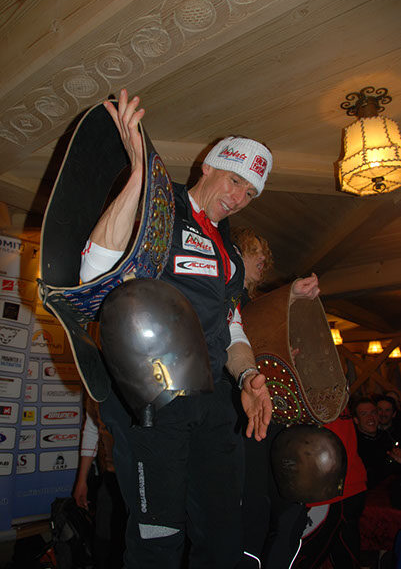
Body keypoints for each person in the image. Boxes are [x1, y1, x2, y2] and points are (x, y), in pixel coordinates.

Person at [79, 89, 273, 569]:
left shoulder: (230, 251)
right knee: (157, 538)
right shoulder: (161, 211)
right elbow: (94, 270)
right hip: (155, 396)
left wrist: (248, 376)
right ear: (208, 166)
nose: (238, 198)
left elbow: (232, 326)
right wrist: (139, 178)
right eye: (234, 180)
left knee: (222, 535)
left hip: (215, 403)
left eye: (250, 193)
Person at [230, 227, 320, 569]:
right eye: (255, 251)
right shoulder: (226, 301)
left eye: (266, 255)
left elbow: (260, 343)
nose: (264, 260)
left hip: (270, 420)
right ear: (235, 254)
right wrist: (290, 294)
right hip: (243, 421)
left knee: (288, 504)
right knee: (253, 505)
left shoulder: (255, 305)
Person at [294, 407, 367, 569]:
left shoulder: (320, 399)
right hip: (346, 487)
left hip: (330, 492)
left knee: (303, 556)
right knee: (344, 554)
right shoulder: (335, 400)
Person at [73, 398, 126, 569]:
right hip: (111, 478)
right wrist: (82, 481)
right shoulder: (95, 387)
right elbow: (91, 428)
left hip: (140, 478)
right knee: (104, 543)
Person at [352, 398, 401, 488]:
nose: (370, 418)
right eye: (364, 414)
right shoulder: (353, 444)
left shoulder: (387, 437)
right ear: (356, 420)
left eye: (373, 412)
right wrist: (391, 461)